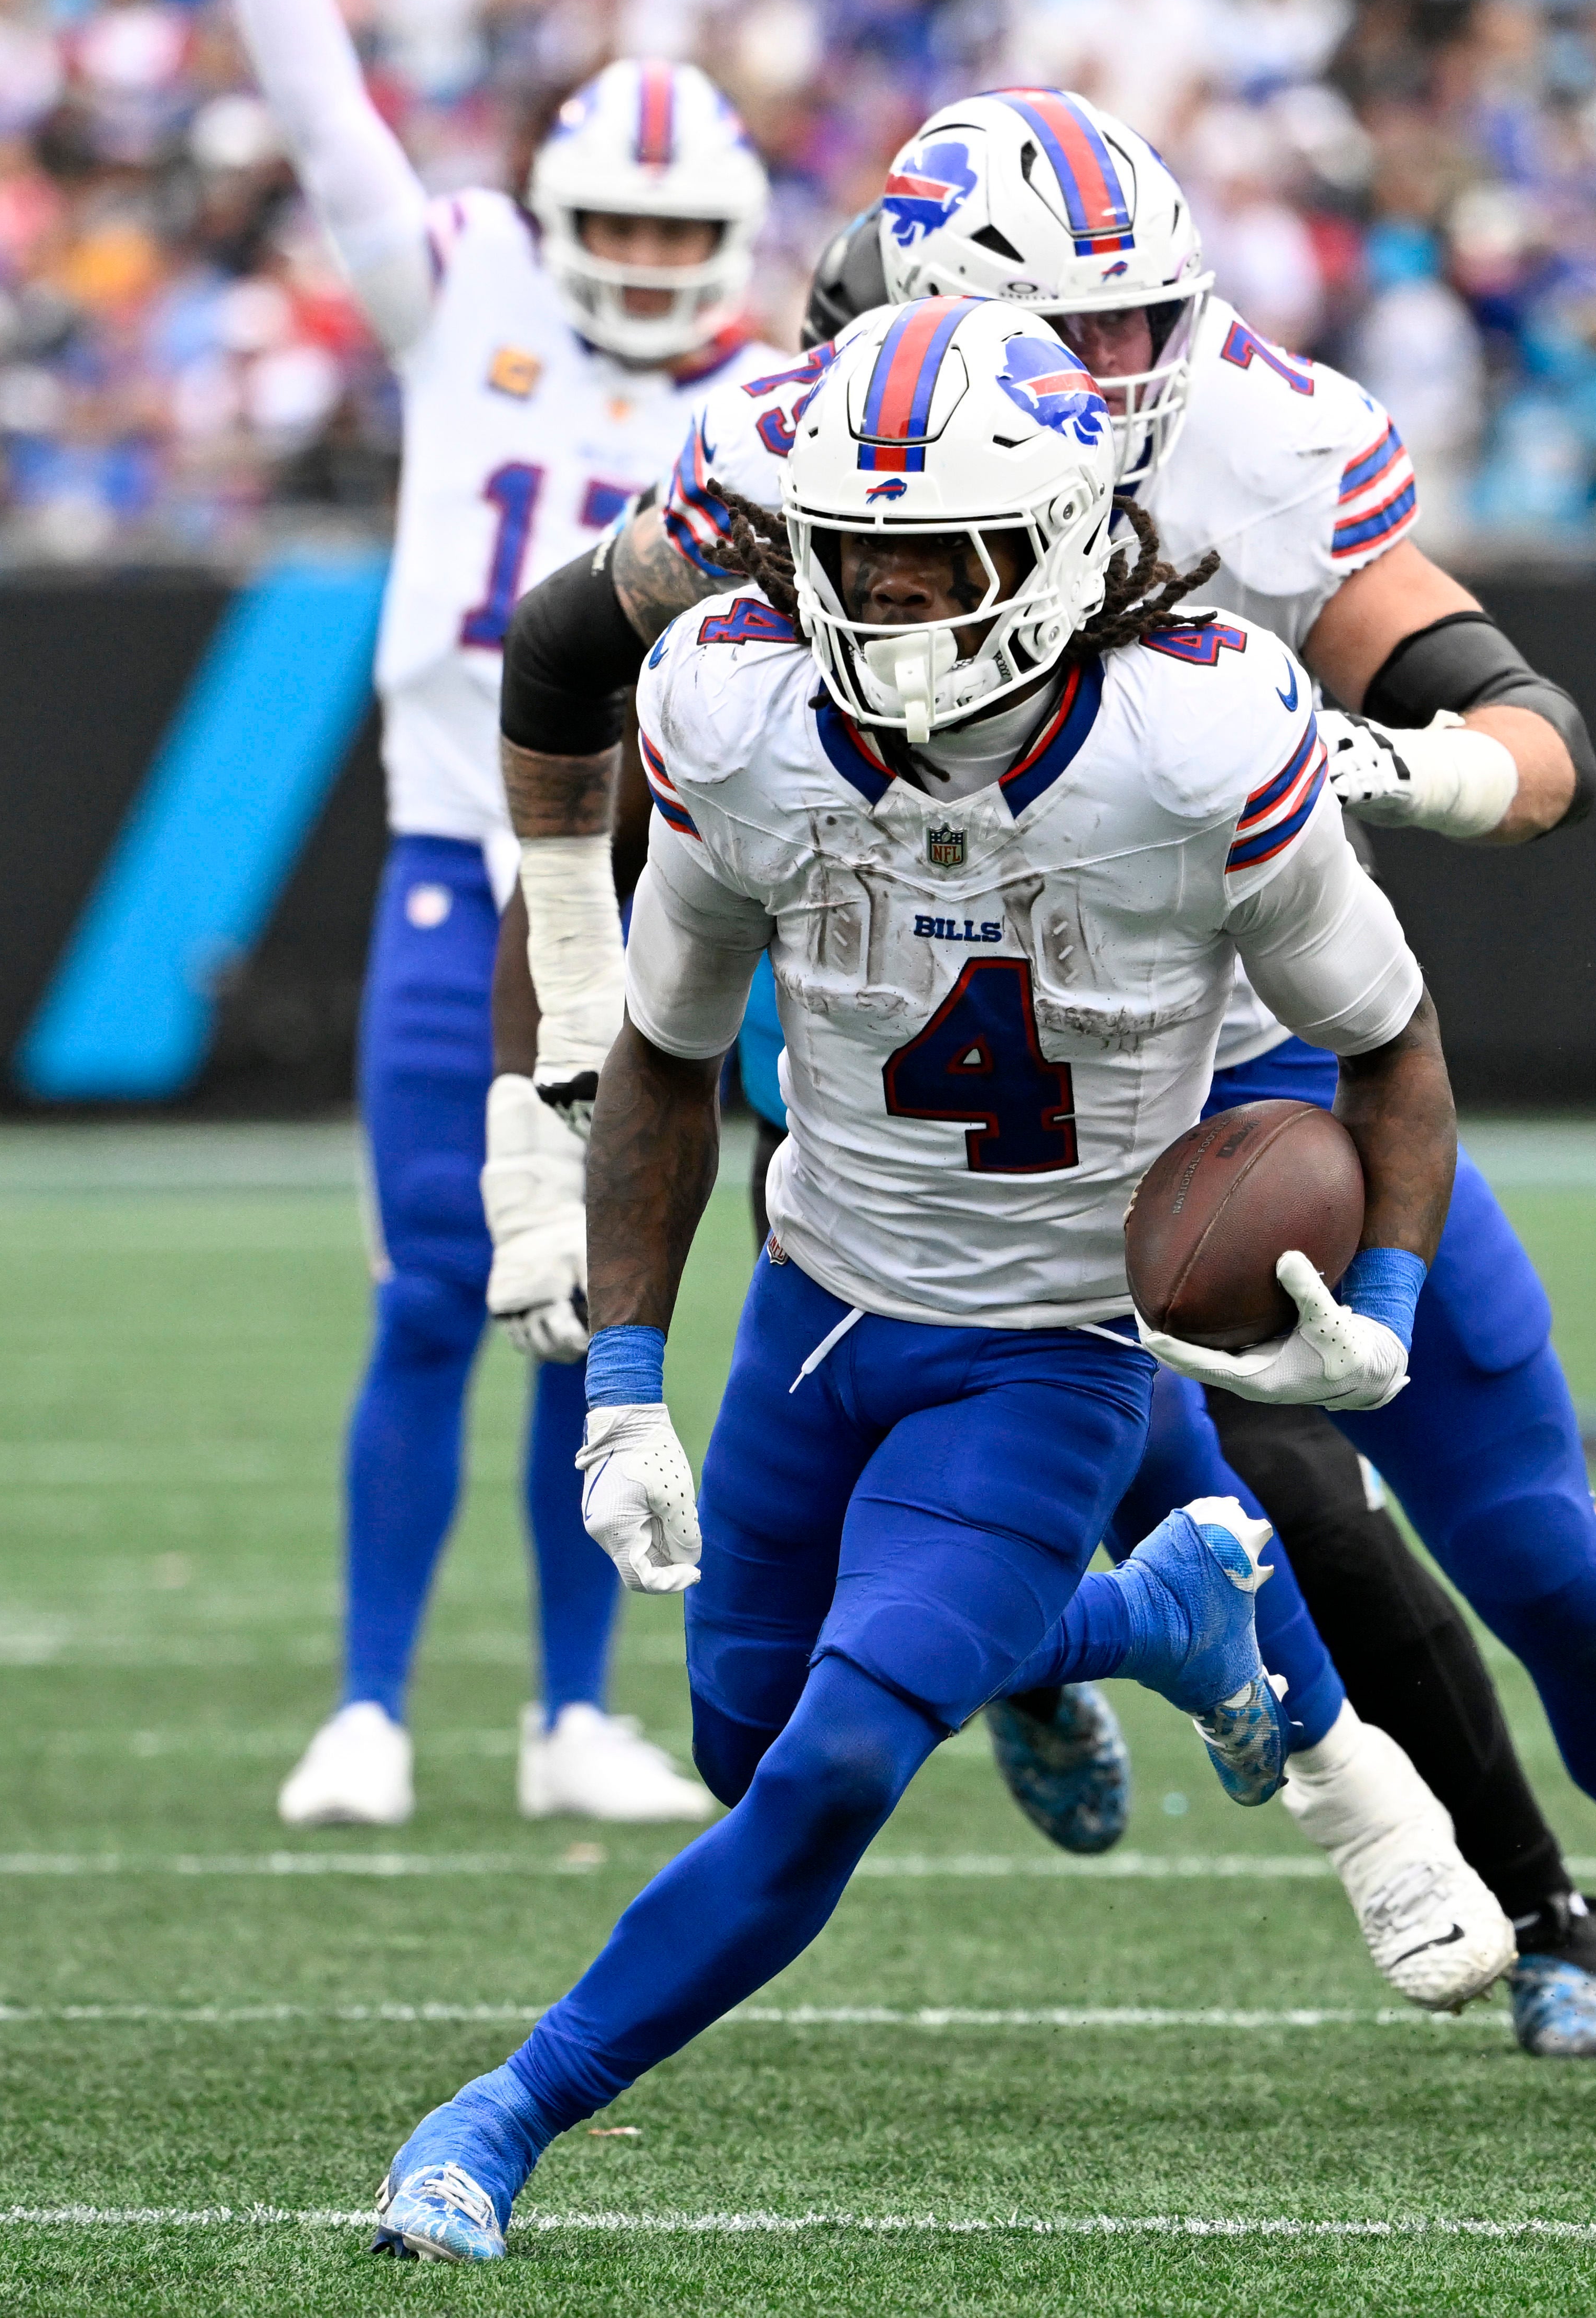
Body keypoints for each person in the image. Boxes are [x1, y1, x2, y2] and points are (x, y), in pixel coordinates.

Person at [496, 101, 1596, 2100]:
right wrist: (543, 1048)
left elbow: (1535, 731)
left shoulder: (1258, 435)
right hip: (931, 1080)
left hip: (1239, 1064)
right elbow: (564, 676)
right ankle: (1181, 1699)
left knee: (1527, 1540)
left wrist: (1426, 776)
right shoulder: (810, 453)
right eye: (1090, 329)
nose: (1141, 368)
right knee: (1126, 1553)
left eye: (1157, 317)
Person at [370, 297, 1435, 2260]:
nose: (878, 587)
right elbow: (668, 1062)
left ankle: (492, 2116)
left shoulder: (1201, 732)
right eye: (849, 545)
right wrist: (622, 1376)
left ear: (1050, 537)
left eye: (926, 548)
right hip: (819, 1299)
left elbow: (1386, 1040)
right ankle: (1152, 1616)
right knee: (742, 1745)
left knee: (836, 1767)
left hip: (1051, 1345)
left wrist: (1390, 1297)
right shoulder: (733, 703)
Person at [188, 0, 761, 1830]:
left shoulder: (773, 392)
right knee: (442, 1279)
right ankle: (369, 1696)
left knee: (601, 1292)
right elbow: (326, 116)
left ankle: (568, 1710)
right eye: (603, 224)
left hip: (661, 881)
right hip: (462, 858)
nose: (625, 263)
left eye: (660, 234)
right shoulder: (470, 287)